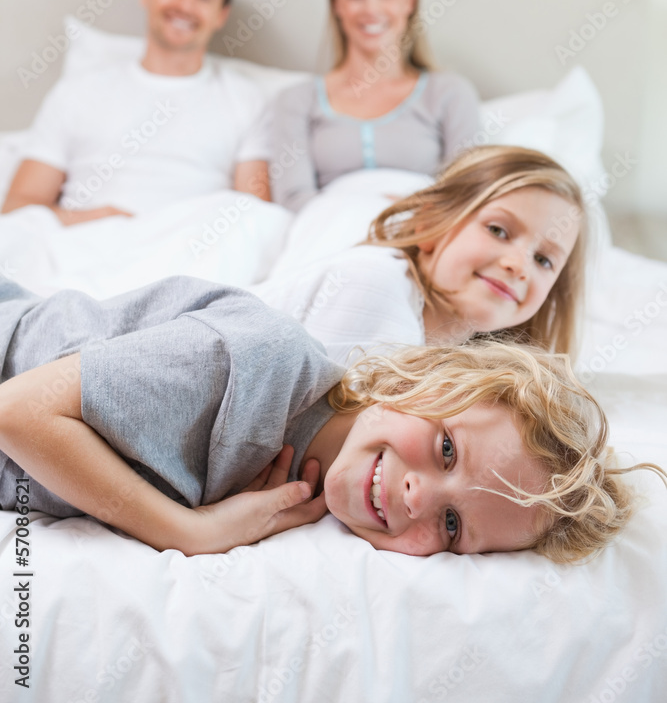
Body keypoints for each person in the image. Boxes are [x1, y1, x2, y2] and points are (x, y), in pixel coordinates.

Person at [0, 274, 662, 562]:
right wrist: (186, 532)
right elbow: (18, 412)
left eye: (452, 525)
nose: (417, 495)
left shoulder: (304, 495)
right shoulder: (252, 365)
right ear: (423, 381)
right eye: (447, 452)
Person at [2, 0, 271, 224]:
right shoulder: (79, 92)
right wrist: (96, 220)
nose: (185, 5)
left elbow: (253, 218)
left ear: (221, 15)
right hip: (80, 246)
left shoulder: (248, 100)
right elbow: (17, 210)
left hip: (187, 252)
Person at [253, 145, 586, 364]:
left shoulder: (459, 362)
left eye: (543, 260)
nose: (519, 266)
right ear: (429, 222)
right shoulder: (376, 285)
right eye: (498, 230)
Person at [269, 0, 480, 211]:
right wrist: (359, 218)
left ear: (409, 2)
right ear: (337, 5)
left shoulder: (450, 93)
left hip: (417, 239)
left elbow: (468, 195)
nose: (371, 9)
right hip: (328, 238)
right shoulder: (296, 100)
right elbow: (293, 200)